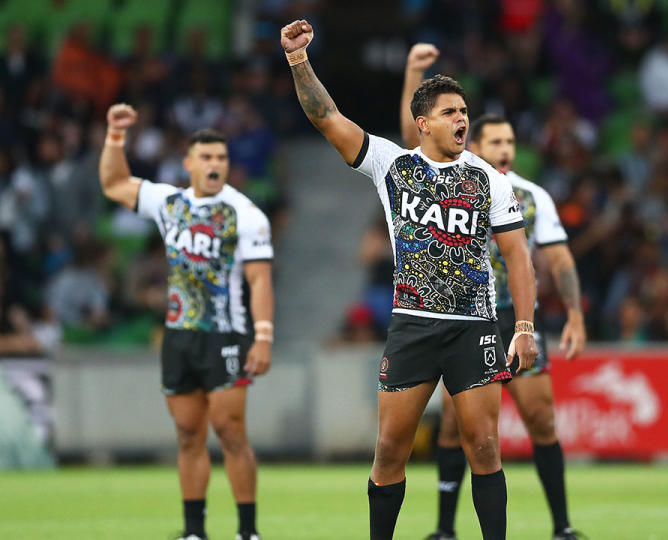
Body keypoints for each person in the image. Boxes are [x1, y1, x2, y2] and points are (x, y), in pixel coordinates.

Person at [280, 20, 538, 540]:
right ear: (423, 123)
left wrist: (525, 327)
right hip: (413, 326)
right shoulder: (390, 165)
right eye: (450, 113)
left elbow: (517, 256)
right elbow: (325, 116)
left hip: (474, 326)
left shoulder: (489, 177)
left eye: (464, 111)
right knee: (390, 448)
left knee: (484, 446)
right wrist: (298, 62)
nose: (461, 119)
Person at [400, 44, 587, 540]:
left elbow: (559, 259)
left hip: (515, 315)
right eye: (495, 141)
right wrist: (414, 75)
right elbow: (407, 143)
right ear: (472, 140)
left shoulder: (530, 195)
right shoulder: (452, 180)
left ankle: (562, 525)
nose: (505, 149)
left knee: (541, 418)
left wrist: (575, 314)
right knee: (456, 429)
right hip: (465, 319)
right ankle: (444, 529)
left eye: (510, 141)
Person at [98, 104, 274, 540]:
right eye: (207, 157)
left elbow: (260, 279)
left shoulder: (245, 215)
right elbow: (115, 183)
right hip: (179, 335)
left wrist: (264, 336)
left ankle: (247, 531)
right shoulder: (170, 202)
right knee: (188, 434)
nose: (215, 165)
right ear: (189, 163)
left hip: (226, 334)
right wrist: (116, 136)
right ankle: (194, 531)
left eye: (221, 158)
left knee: (231, 432)